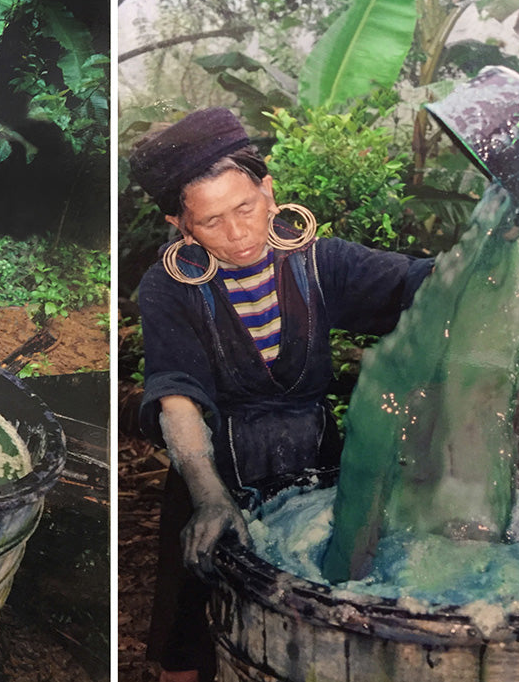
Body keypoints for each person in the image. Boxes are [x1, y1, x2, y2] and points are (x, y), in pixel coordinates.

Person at [129, 107, 435, 682]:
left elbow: (422, 283)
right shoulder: (168, 288)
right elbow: (178, 395)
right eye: (212, 221)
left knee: (317, 619)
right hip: (215, 468)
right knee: (189, 637)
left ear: (269, 192)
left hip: (313, 462)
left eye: (245, 208)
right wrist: (209, 496)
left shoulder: (322, 263)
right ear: (181, 225)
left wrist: (490, 252)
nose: (238, 233)